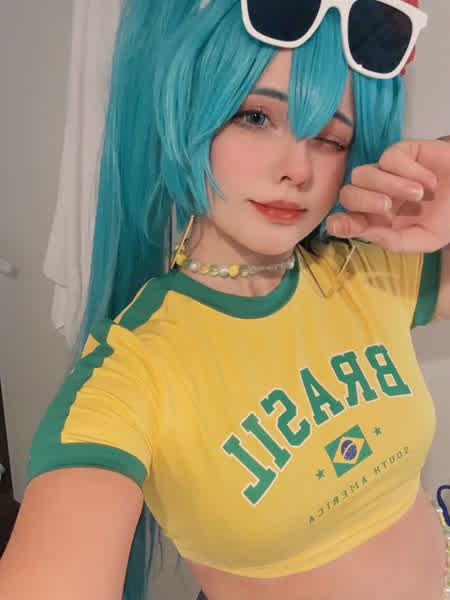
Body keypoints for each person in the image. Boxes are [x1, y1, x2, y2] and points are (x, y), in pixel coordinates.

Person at [1, 1, 450, 599]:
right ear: (188, 106)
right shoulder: (133, 371)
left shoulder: (368, 271)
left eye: (329, 138)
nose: (297, 169)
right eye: (255, 117)